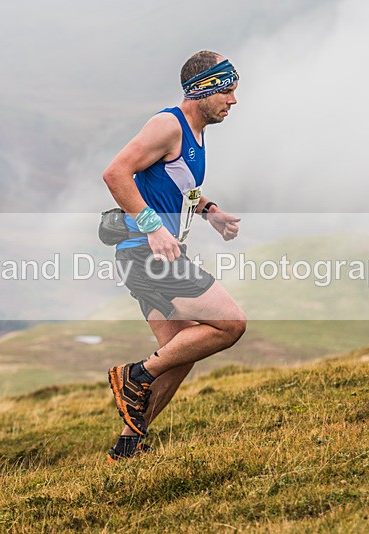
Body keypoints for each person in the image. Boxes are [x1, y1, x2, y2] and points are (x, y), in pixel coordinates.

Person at [102, 50, 247, 461]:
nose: (233, 101)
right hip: (146, 254)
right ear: (203, 88)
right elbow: (115, 173)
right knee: (230, 324)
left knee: (179, 354)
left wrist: (210, 212)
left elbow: (180, 186)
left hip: (146, 257)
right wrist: (152, 226)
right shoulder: (168, 125)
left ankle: (128, 447)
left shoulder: (195, 136)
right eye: (228, 90)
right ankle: (134, 375)